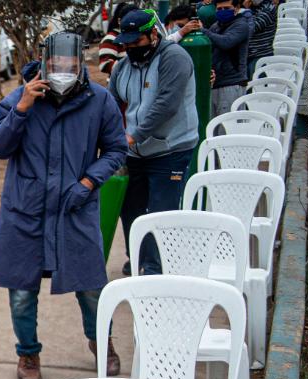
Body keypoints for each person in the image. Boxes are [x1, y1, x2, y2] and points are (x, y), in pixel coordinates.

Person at [0, 31, 127, 379]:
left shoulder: (99, 100)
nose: (62, 69)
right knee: (21, 291)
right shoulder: (20, 97)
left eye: (70, 63)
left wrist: (88, 182)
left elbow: (115, 150)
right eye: (56, 63)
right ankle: (28, 352)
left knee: (92, 285)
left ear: (81, 62)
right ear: (45, 62)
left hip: (73, 207)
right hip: (26, 211)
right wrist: (21, 110)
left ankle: (102, 342)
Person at [109, 8, 200, 277]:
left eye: (137, 42)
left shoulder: (174, 58)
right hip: (134, 154)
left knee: (161, 212)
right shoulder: (122, 67)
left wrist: (133, 135)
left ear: (153, 34)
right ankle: (138, 256)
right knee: (132, 211)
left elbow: (166, 105)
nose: (131, 48)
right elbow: (112, 103)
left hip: (170, 149)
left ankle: (157, 270)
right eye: (126, 44)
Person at [198, 0, 252, 115]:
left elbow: (226, 42)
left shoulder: (241, 25)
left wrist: (203, 30)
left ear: (236, 8)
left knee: (228, 130)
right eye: (219, 9)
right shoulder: (216, 26)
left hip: (232, 84)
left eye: (227, 8)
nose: (222, 11)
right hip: (215, 83)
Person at [99, 2, 139, 75]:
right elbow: (105, 65)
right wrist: (132, 70)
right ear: (120, 21)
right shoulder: (110, 38)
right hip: (119, 84)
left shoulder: (139, 36)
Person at [244, 0, 278, 79]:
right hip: (248, 53)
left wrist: (246, 10)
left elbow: (253, 27)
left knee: (255, 85)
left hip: (261, 53)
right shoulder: (253, 8)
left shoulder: (268, 9)